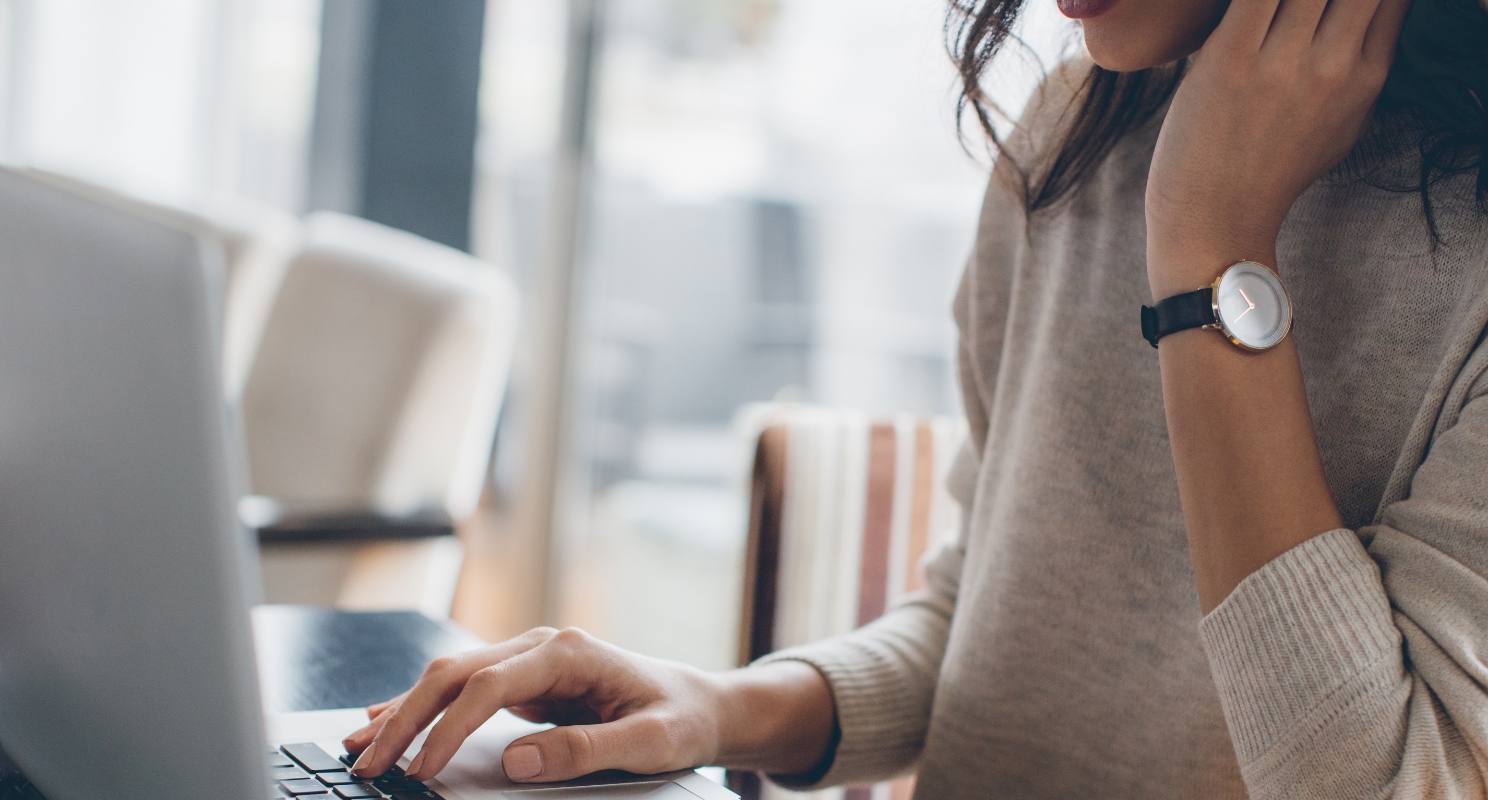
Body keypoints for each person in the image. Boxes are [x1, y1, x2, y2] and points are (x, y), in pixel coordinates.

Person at [343, 0, 1488, 795]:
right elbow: (991, 626)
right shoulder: (1072, 139)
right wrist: (714, 706)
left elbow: (1396, 781)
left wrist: (1211, 247)